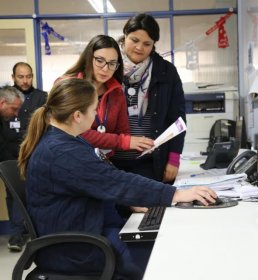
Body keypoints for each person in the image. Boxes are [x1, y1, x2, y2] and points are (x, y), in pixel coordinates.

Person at [18, 78, 217, 279]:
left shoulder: (65, 141)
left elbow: (95, 184)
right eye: (94, 109)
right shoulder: (62, 152)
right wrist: (177, 194)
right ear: (77, 116)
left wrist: (128, 204)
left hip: (85, 232)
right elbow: (116, 181)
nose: (96, 115)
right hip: (77, 250)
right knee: (167, 258)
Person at [111, 13, 186, 184]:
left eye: (147, 44)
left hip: (148, 161)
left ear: (154, 45)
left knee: (143, 203)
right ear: (125, 37)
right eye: (134, 40)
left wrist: (174, 159)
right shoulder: (109, 68)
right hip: (110, 158)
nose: (139, 48)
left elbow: (178, 119)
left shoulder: (166, 72)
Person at [60, 34, 154, 157]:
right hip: (69, 159)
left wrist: (141, 144)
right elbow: (76, 132)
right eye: (100, 61)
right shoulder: (67, 85)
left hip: (102, 162)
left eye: (112, 63)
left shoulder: (116, 91)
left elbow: (123, 133)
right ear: (89, 58)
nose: (105, 69)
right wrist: (123, 141)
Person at [2, 62, 47, 252]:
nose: (25, 80)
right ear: (13, 77)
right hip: (9, 154)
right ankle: (17, 235)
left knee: (37, 191)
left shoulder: (41, 97)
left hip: (34, 153)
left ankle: (39, 231)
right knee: (14, 194)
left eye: (28, 76)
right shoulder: (5, 96)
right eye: (21, 76)